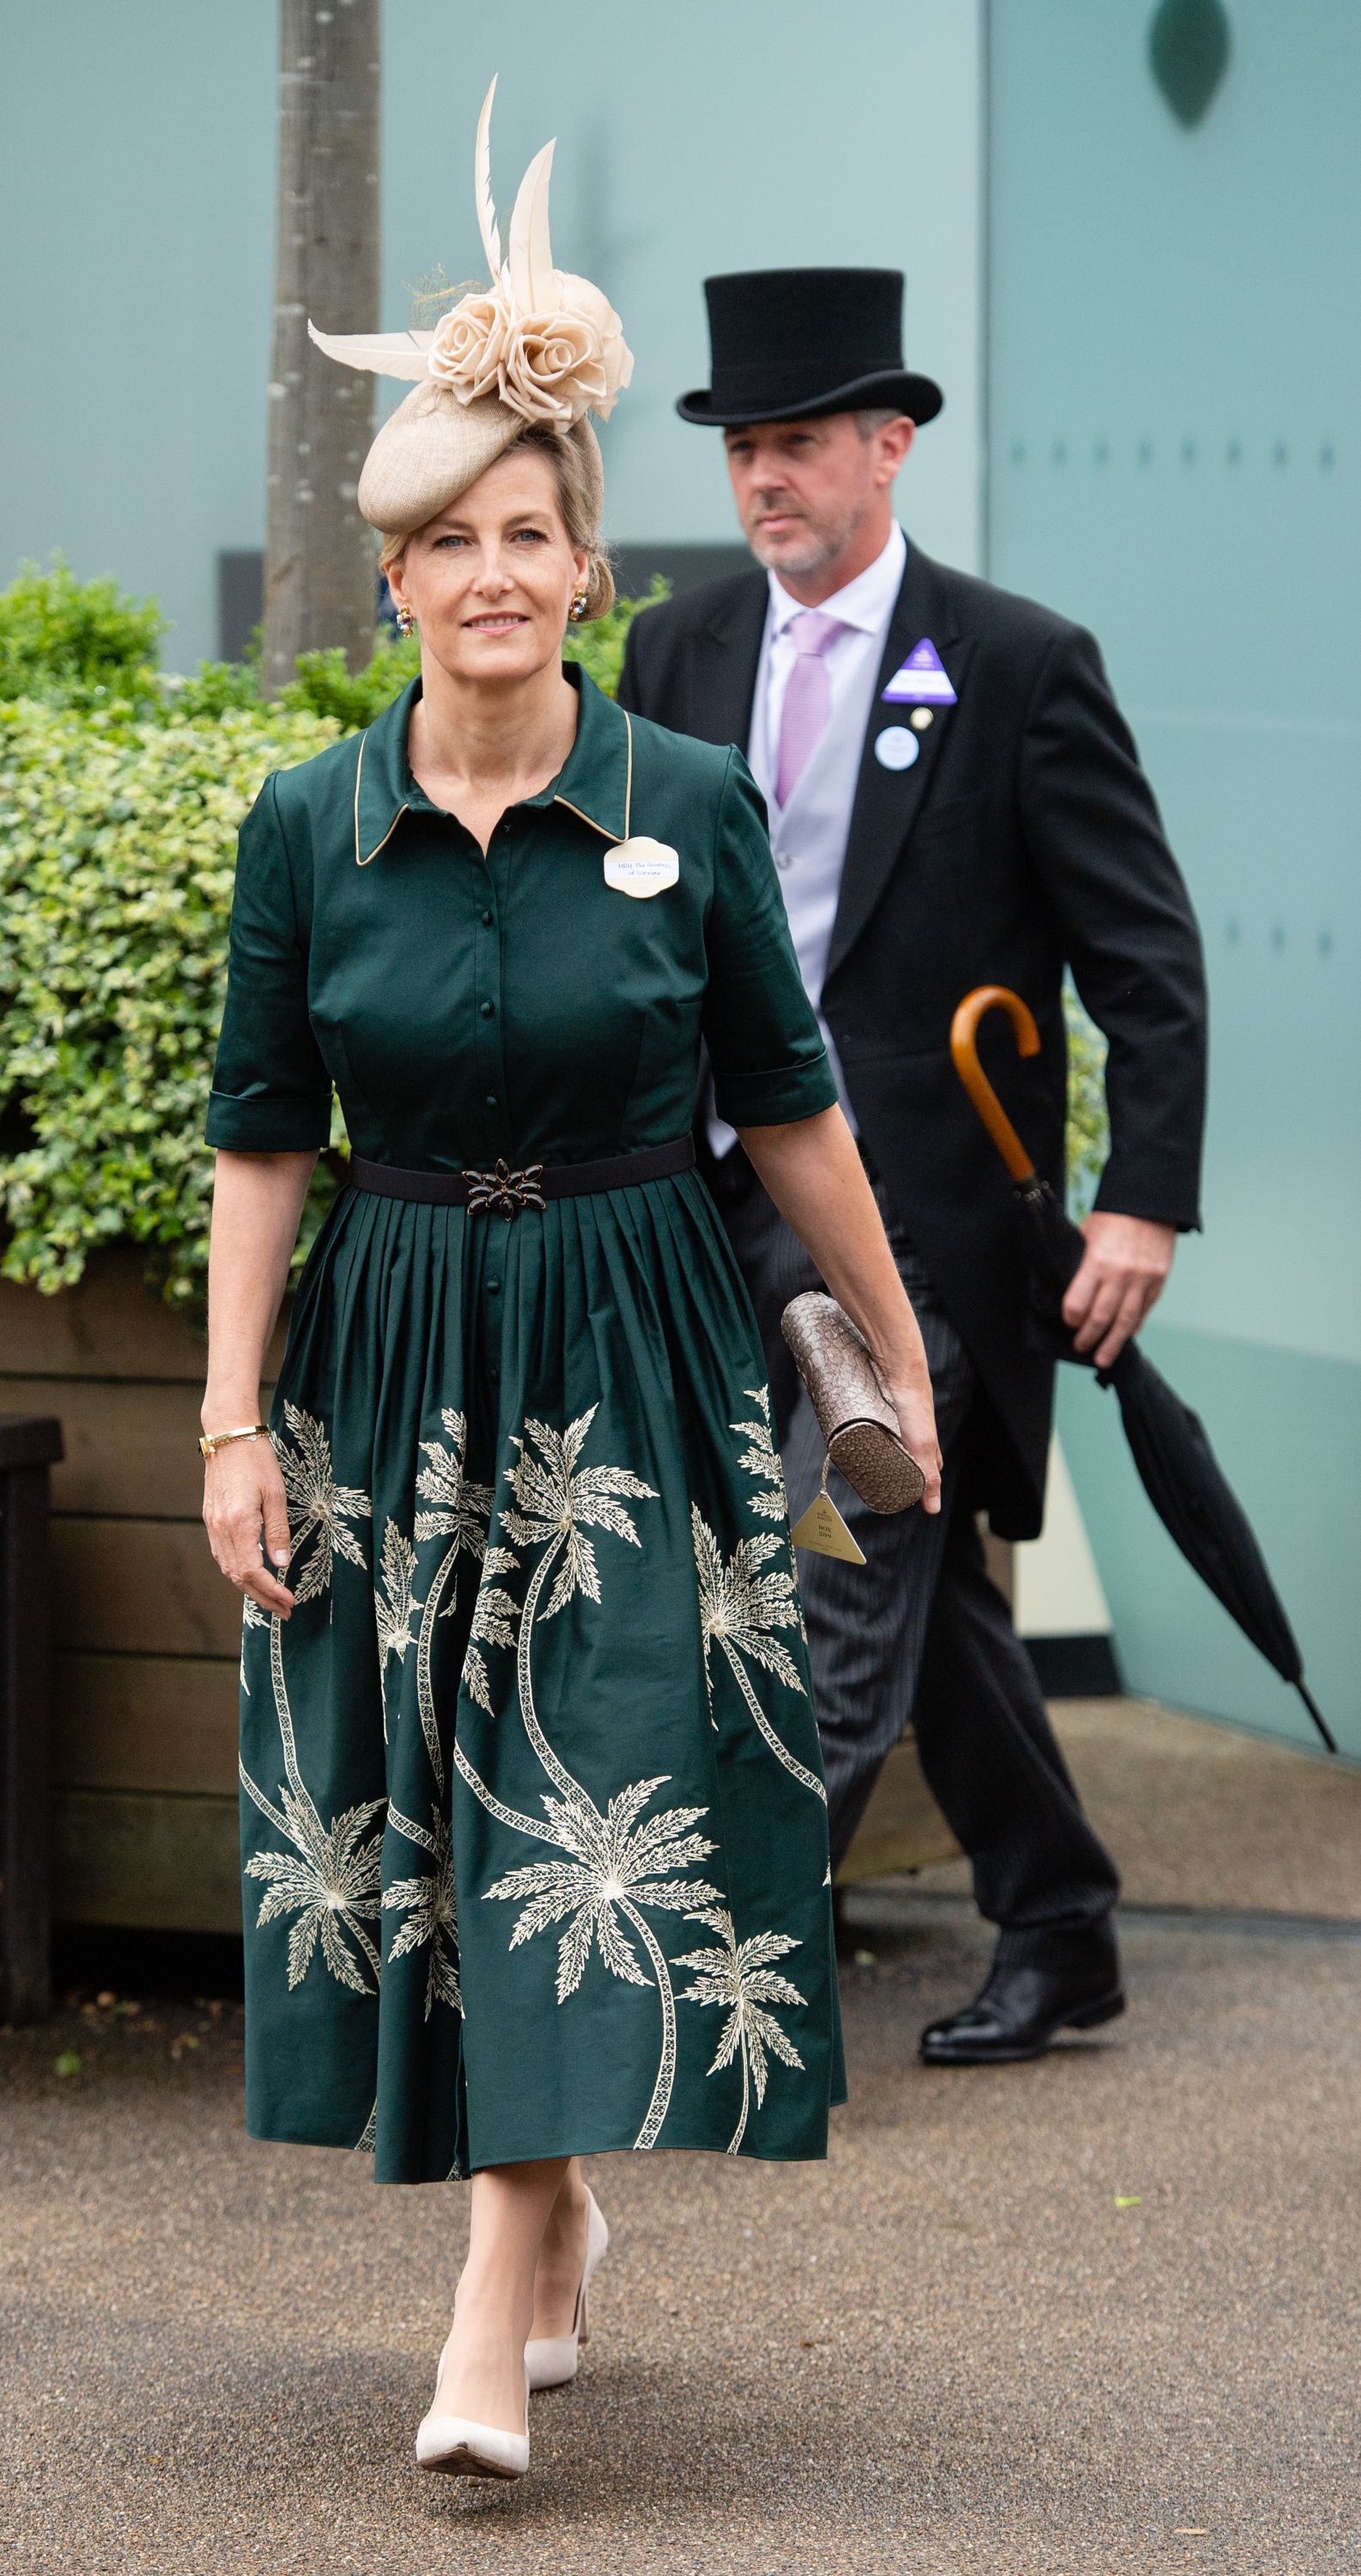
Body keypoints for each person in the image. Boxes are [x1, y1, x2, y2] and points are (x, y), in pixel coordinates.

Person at [198, 106, 939, 2482]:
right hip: (392, 1350)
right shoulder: (308, 825)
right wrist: (231, 1428)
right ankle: (549, 2227)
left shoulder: (688, 803)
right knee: (440, 1816)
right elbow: (260, 1141)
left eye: (528, 538)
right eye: (447, 547)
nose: (491, 576)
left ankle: (485, 2307)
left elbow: (792, 1109)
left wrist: (896, 1347)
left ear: (583, 567)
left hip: (636, 1345)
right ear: (391, 580)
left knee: (583, 1791)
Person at [617, 268, 1208, 2068]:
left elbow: (1144, 958)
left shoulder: (1017, 665)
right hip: (711, 1200)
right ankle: (1061, 1921)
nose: (759, 479)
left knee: (831, 1571)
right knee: (920, 1585)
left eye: (794, 443)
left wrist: (1141, 1200)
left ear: (889, 444)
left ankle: (706, 1995)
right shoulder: (679, 652)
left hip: (916, 1235)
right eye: (738, 447)